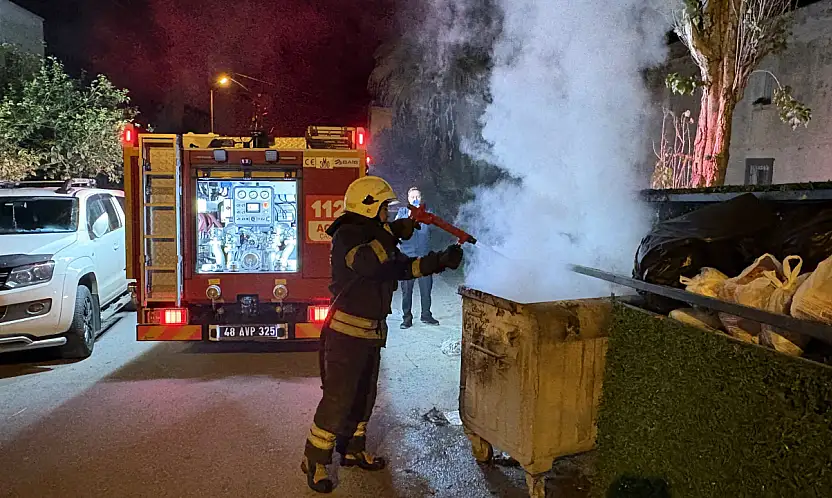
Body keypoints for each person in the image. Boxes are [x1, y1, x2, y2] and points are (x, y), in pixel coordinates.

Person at [301, 176, 463, 493]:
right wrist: (390, 234)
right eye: (386, 209)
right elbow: (366, 262)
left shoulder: (377, 236)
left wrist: (439, 261)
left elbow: (402, 268)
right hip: (346, 334)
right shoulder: (347, 234)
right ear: (370, 207)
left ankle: (351, 449)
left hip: (371, 334)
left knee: (364, 397)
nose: (390, 214)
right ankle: (315, 459)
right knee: (338, 399)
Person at [395, 187, 439, 328]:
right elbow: (396, 232)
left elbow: (435, 229)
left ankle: (426, 315)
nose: (415, 199)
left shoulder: (428, 213)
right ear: (407, 199)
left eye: (417, 197)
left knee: (426, 289)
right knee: (407, 291)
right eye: (412, 196)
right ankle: (407, 318)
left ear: (421, 198)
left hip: (424, 257)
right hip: (407, 259)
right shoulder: (401, 213)